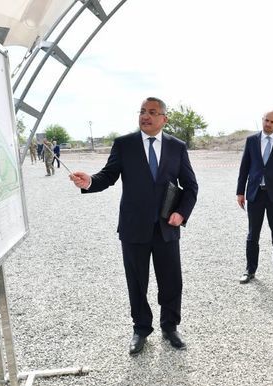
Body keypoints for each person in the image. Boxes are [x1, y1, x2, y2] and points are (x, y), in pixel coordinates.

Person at [69, 97, 198, 355]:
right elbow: (108, 176)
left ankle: (170, 326)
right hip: (133, 227)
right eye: (142, 111)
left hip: (166, 227)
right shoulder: (124, 144)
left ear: (164, 118)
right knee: (137, 282)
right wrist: (89, 182)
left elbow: (191, 185)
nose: (145, 116)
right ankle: (141, 329)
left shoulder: (177, 147)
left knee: (171, 280)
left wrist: (181, 213)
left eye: (152, 112)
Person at [236, 109, 273, 284]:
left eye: (272, 122)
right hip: (255, 194)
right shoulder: (251, 140)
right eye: (266, 120)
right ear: (262, 120)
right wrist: (240, 192)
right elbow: (244, 168)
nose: (268, 124)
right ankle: (250, 270)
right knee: (252, 235)